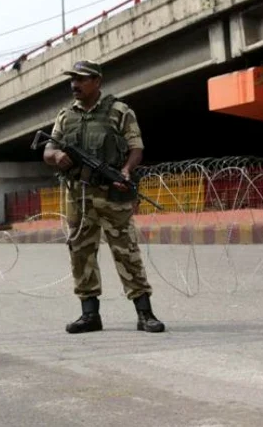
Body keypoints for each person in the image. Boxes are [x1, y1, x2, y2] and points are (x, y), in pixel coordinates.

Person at [42, 59, 166, 333]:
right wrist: (57, 156)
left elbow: (136, 147)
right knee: (80, 253)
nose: (74, 84)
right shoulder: (65, 116)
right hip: (78, 196)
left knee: (127, 252)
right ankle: (90, 315)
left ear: (97, 81)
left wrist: (125, 170)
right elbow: (48, 150)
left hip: (112, 193)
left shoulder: (120, 112)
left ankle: (144, 313)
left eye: (81, 79)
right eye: (72, 79)